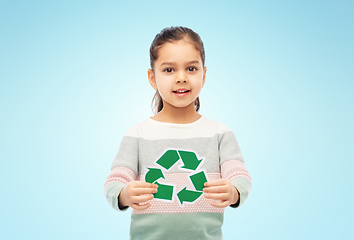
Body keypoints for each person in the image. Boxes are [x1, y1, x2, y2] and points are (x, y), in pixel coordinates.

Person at [104, 26, 252, 240]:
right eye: (169, 70)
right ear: (152, 77)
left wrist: (234, 192)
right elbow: (115, 181)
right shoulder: (138, 134)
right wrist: (124, 195)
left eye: (191, 69)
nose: (181, 78)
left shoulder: (220, 134)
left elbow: (240, 177)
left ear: (204, 74)